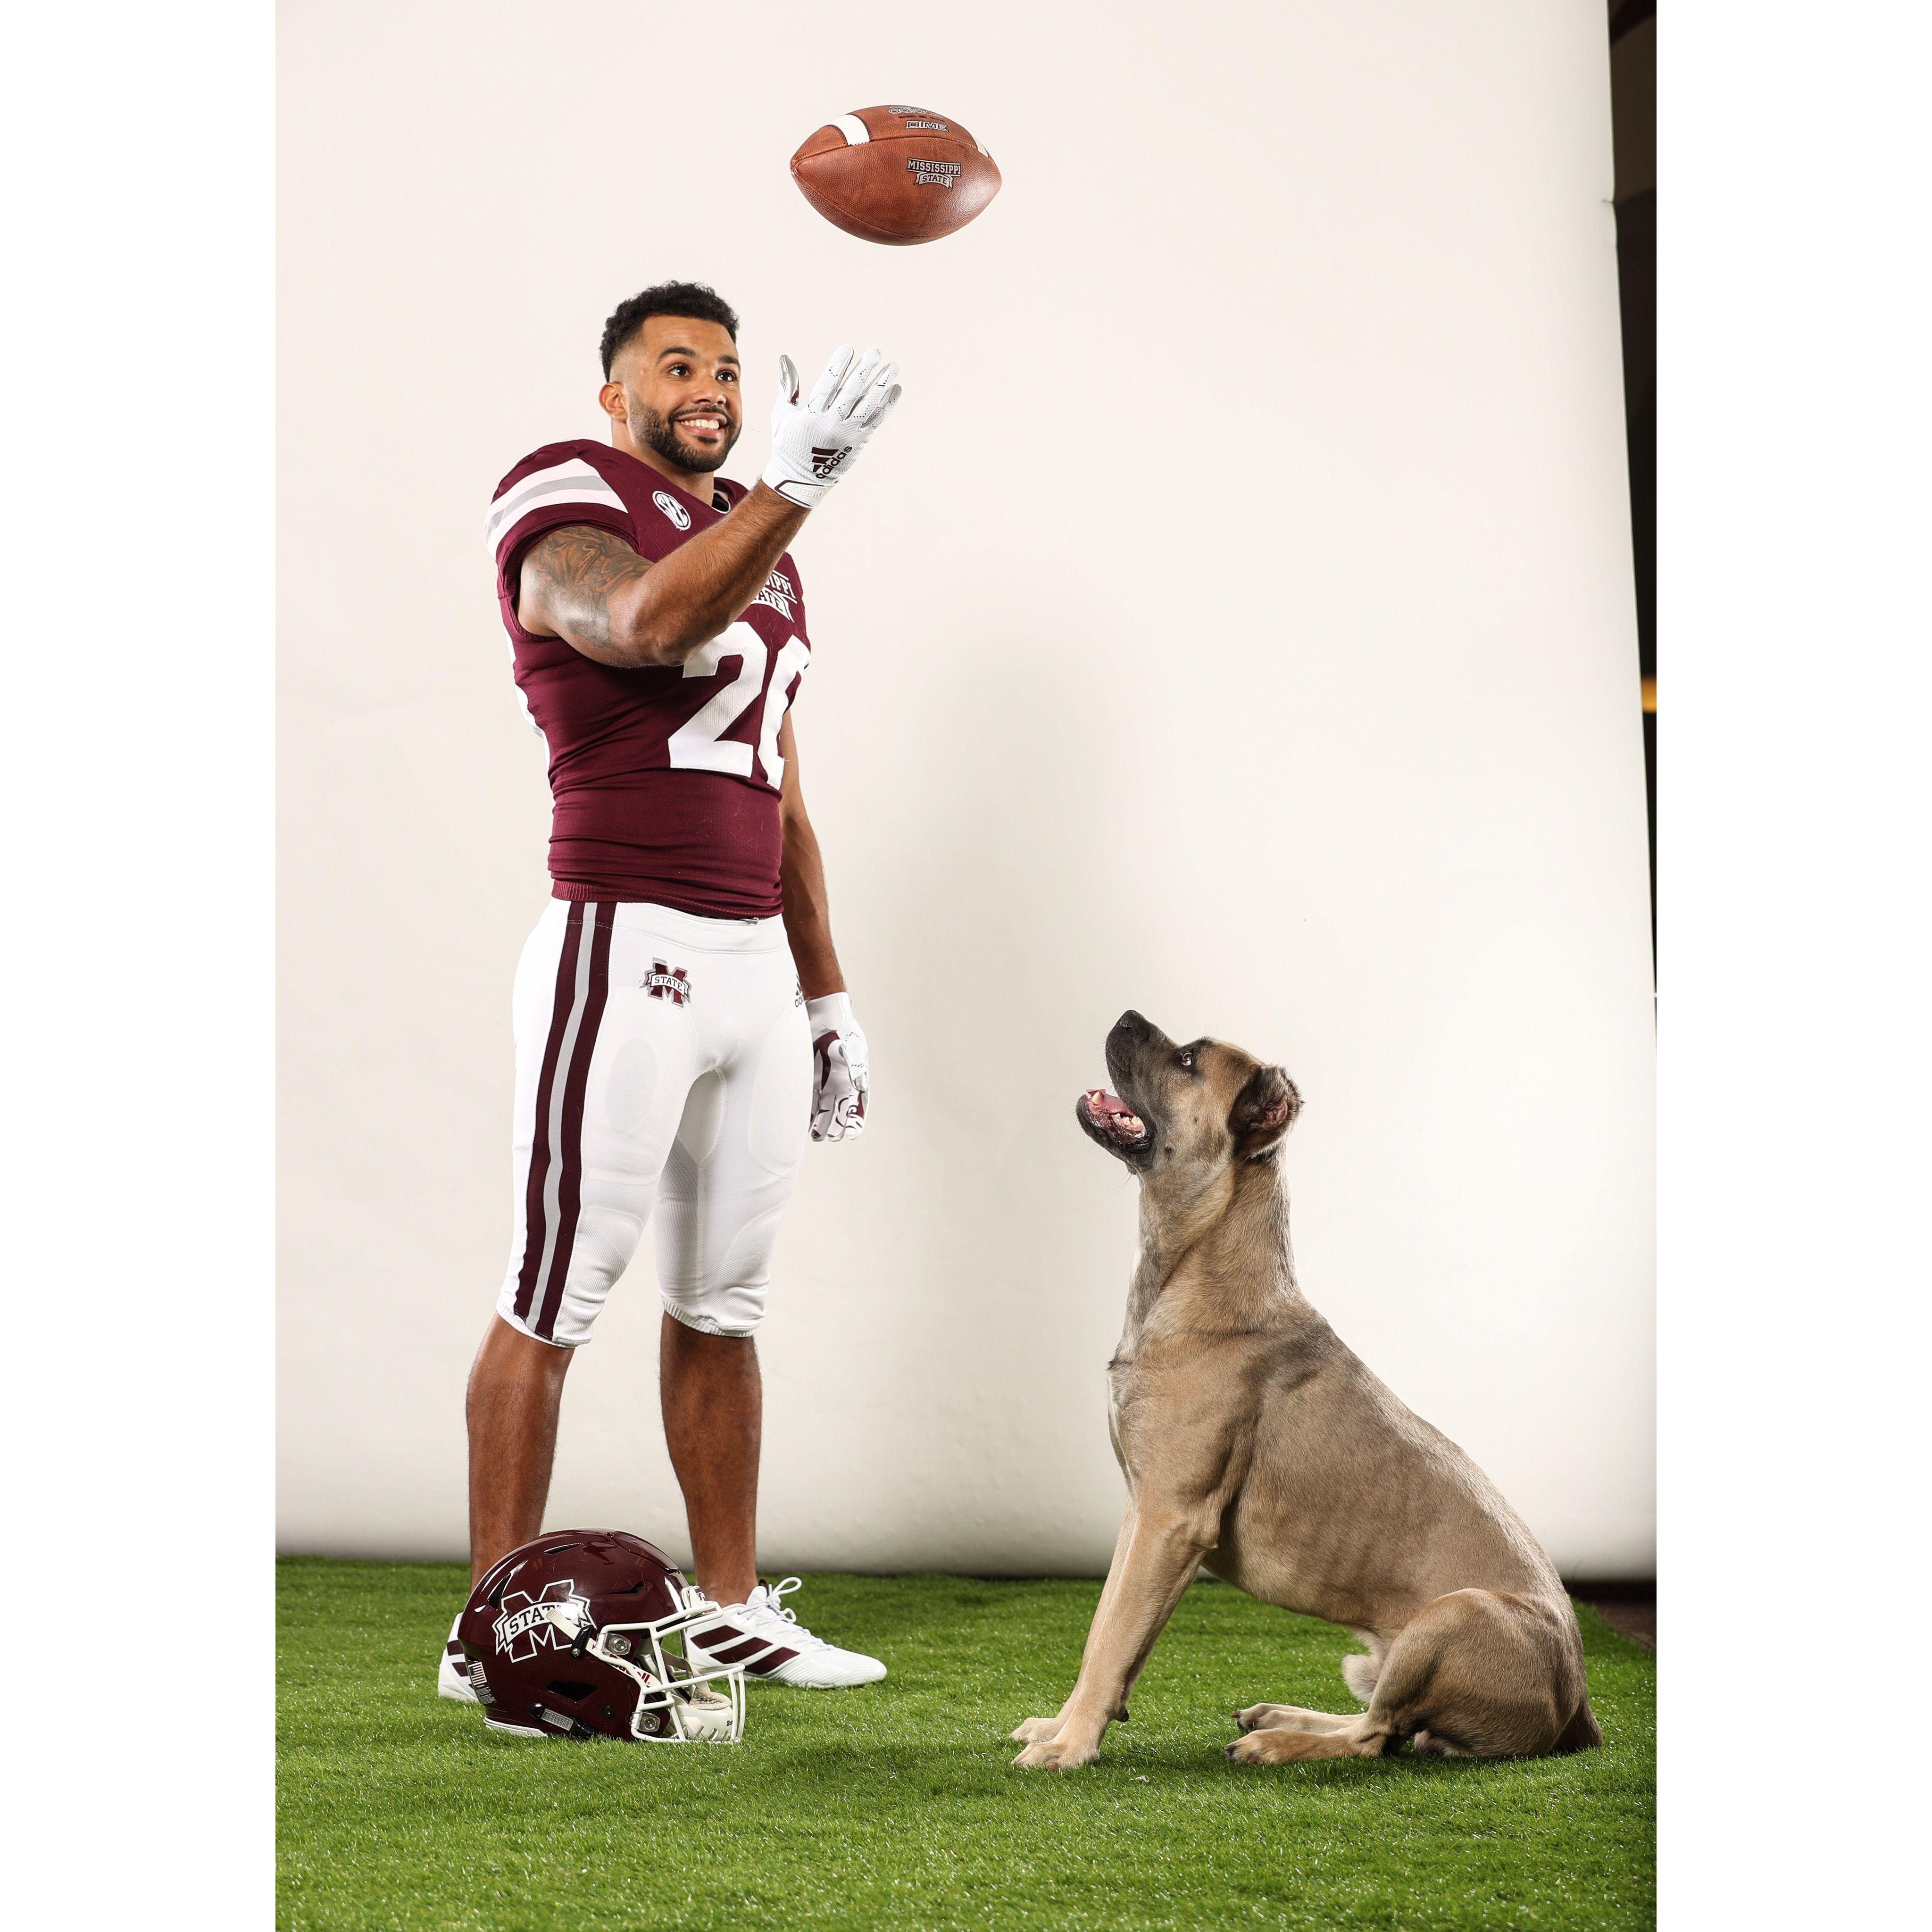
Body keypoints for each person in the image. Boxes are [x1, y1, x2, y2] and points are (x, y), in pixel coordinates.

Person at [439, 282, 899, 1701]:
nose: (709, 384)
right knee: (555, 1290)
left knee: (726, 1302)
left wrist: (826, 996)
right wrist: (798, 481)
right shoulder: (569, 492)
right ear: (616, 394)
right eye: (675, 364)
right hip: (621, 941)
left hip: (754, 963)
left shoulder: (766, 543)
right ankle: (487, 1630)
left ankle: (727, 1606)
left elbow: (786, 795)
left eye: (727, 366)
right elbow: (637, 625)